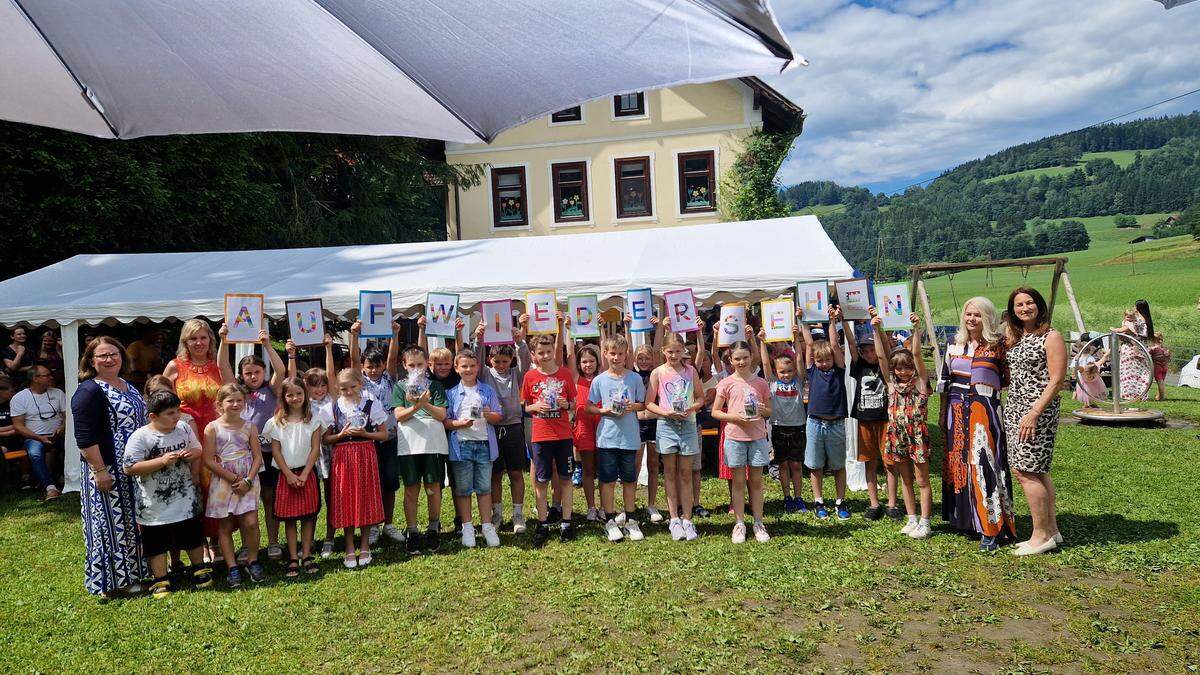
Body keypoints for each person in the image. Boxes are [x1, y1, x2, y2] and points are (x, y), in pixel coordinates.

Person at [71, 336, 151, 597]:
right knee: (110, 525)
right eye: (102, 356)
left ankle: (136, 572)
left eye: (113, 354)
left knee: (130, 522)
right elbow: (84, 437)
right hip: (108, 468)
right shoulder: (89, 391)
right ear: (91, 361)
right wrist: (100, 470)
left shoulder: (127, 385)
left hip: (132, 467)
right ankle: (113, 583)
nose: (109, 359)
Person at [940, 296, 1016, 552]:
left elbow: (1007, 378)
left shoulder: (998, 345)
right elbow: (945, 380)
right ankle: (965, 519)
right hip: (955, 410)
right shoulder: (953, 344)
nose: (972, 319)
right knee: (959, 464)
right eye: (968, 314)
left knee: (985, 464)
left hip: (985, 412)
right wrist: (943, 414)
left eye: (978, 315)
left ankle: (991, 527)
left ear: (988, 317)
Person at [121, 390, 212, 596]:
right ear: (153, 416)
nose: (176, 416)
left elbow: (198, 449)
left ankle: (199, 568)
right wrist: (160, 462)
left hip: (184, 498)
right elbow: (129, 467)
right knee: (156, 542)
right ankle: (161, 579)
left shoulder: (183, 429)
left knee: (191, 535)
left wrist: (190, 454)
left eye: (177, 411)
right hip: (154, 503)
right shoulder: (141, 437)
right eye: (170, 413)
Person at [1004, 287, 1067, 556]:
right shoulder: (1017, 337)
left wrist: (1034, 413)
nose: (1025, 308)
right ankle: (1052, 530)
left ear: (1039, 306)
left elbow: (1056, 381)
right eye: (1019, 304)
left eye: (1029, 303)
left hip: (1036, 412)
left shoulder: (1051, 337)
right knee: (1037, 470)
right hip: (1015, 409)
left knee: (1025, 471)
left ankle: (1039, 535)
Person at [869, 307, 932, 539]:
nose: (903, 371)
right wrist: (877, 329)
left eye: (906, 367)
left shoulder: (920, 384)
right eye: (899, 368)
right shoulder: (892, 385)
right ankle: (911, 518)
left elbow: (916, 356)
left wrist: (916, 329)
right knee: (906, 479)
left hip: (917, 436)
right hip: (897, 436)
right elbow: (882, 357)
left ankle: (925, 522)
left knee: (922, 480)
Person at [226, 325, 287, 561]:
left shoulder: (271, 390)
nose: (253, 376)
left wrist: (268, 345)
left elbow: (280, 370)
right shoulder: (238, 391)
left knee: (269, 498)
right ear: (242, 374)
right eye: (248, 373)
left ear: (263, 372)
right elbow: (224, 369)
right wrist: (224, 341)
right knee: (244, 502)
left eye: (257, 372)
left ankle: (272, 542)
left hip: (268, 452)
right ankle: (246, 545)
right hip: (245, 455)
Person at [349, 320, 405, 546]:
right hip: (367, 440)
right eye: (369, 366)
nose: (373, 370)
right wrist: (354, 336)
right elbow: (353, 359)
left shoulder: (389, 378)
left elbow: (393, 358)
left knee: (390, 482)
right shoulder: (359, 383)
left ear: (382, 366)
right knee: (371, 484)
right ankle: (371, 526)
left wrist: (394, 334)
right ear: (363, 367)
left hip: (390, 438)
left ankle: (388, 524)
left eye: (377, 366)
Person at [711, 339, 772, 543]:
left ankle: (758, 522)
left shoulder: (761, 383)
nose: (741, 362)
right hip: (735, 438)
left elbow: (770, 410)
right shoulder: (726, 383)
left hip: (757, 437)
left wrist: (764, 411)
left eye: (745, 357)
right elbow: (716, 412)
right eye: (737, 358)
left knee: (756, 481)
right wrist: (734, 417)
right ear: (730, 360)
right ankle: (739, 523)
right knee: (737, 482)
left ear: (751, 357)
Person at [203, 383, 264, 587]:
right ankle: (232, 566)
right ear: (220, 404)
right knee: (226, 525)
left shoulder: (249, 426)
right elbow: (209, 460)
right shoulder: (212, 428)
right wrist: (233, 479)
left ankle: (252, 559)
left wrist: (247, 480)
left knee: (251, 522)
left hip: (248, 477)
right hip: (223, 480)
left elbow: (257, 457)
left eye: (239, 400)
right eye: (230, 401)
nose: (235, 404)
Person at [474, 316, 530, 534]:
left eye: (505, 361)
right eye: (497, 361)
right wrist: (479, 339)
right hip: (491, 429)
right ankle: (497, 514)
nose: (501, 365)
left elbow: (525, 361)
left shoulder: (517, 375)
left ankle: (518, 514)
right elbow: (476, 357)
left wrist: (520, 342)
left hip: (514, 427)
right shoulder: (485, 375)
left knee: (516, 473)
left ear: (511, 360)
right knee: (495, 474)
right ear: (490, 360)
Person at [645, 333, 705, 541]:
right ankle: (673, 519)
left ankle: (687, 518)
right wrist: (665, 412)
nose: (674, 355)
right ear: (663, 351)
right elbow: (649, 403)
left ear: (683, 351)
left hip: (687, 425)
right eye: (670, 351)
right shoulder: (657, 373)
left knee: (686, 473)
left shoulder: (690, 372)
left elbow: (700, 398)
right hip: (666, 426)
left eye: (678, 351)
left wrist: (690, 408)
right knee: (669, 472)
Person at [588, 334, 647, 543]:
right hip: (607, 438)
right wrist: (603, 410)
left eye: (620, 354)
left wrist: (633, 407)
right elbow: (590, 406)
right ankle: (610, 520)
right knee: (607, 480)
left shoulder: (634, 378)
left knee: (630, 479)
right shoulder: (599, 380)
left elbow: (643, 403)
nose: (616, 357)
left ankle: (631, 518)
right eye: (612, 353)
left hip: (629, 437)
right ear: (605, 354)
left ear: (626, 355)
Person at [326, 369, 387, 568]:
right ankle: (349, 546)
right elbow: (326, 438)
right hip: (343, 455)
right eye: (344, 389)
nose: (349, 392)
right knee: (346, 498)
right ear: (338, 389)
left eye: (352, 387)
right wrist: (341, 435)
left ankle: (365, 545)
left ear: (360, 385)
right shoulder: (334, 407)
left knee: (365, 497)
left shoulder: (371, 404)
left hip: (365, 453)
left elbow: (384, 434)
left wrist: (366, 433)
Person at [521, 326, 576, 547]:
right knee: (541, 481)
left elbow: (574, 404)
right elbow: (525, 406)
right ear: (533, 355)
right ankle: (542, 523)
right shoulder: (530, 376)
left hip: (563, 434)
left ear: (554, 350)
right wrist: (537, 405)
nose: (545, 356)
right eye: (540, 353)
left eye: (548, 351)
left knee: (566, 479)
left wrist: (566, 404)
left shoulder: (564, 375)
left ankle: (567, 522)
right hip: (541, 436)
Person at [443, 349, 504, 548]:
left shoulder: (487, 390)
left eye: (472, 366)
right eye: (464, 366)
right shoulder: (451, 393)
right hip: (461, 445)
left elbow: (498, 416)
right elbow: (446, 421)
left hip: (484, 445)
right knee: (462, 489)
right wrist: (459, 424)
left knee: (484, 488)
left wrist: (488, 413)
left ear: (478, 367)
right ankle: (467, 527)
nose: (468, 369)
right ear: (457, 368)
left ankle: (487, 526)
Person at [392, 345, 449, 554]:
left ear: (427, 365)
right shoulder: (400, 387)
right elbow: (399, 415)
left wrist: (423, 403)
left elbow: (441, 415)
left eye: (420, 364)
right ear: (404, 366)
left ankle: (434, 527)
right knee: (411, 488)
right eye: (412, 365)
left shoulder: (434, 386)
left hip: (433, 443)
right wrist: (416, 406)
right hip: (409, 444)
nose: (416, 368)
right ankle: (413, 530)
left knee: (433, 487)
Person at [264, 377, 324, 576]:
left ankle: (306, 555)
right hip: (286, 475)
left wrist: (306, 473)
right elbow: (276, 451)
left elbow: (316, 448)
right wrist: (289, 474)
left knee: (308, 516)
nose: (295, 397)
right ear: (283, 397)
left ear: (305, 394)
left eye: (299, 393)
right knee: (289, 518)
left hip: (307, 473)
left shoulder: (314, 419)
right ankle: (292, 557)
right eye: (290, 394)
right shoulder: (275, 423)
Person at [287, 335, 339, 558]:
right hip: (307, 455)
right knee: (310, 499)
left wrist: (328, 349)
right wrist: (292, 355)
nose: (319, 389)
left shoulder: (332, 399)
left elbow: (332, 375)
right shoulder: (303, 402)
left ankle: (329, 537)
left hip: (329, 453)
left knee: (330, 497)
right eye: (313, 385)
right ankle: (307, 540)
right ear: (305, 387)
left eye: (323, 385)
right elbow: (290, 380)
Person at [844, 315, 898, 521]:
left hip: (885, 419)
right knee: (869, 462)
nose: (869, 354)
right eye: (864, 351)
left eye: (871, 350)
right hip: (864, 420)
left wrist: (878, 328)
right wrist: (843, 322)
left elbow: (884, 351)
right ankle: (874, 503)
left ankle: (892, 504)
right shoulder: (859, 367)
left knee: (890, 463)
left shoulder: (886, 367)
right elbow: (850, 343)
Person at [801, 306, 850, 521]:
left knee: (838, 465)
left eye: (826, 360)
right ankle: (818, 501)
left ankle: (840, 501)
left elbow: (836, 347)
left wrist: (831, 322)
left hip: (836, 423)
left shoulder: (838, 369)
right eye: (820, 361)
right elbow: (810, 345)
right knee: (815, 465)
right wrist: (802, 322)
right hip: (814, 423)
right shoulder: (812, 371)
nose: (823, 363)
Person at [759, 322, 807, 514]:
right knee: (783, 464)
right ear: (776, 372)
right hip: (778, 426)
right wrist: (762, 342)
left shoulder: (798, 380)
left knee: (796, 464)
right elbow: (764, 363)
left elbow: (800, 362)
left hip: (797, 426)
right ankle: (787, 497)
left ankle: (798, 497)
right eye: (782, 372)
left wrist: (795, 339)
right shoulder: (771, 381)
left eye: (789, 371)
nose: (786, 375)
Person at [10, 365, 66, 500]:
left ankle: (72, 478)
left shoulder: (58, 393)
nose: (51, 377)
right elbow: (18, 426)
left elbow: (68, 415)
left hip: (59, 434)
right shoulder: (20, 398)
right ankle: (50, 488)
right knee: (35, 452)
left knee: (76, 445)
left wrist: (63, 427)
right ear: (36, 378)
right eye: (46, 375)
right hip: (34, 437)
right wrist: (39, 438)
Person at [571, 342, 602, 522]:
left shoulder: (603, 377)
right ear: (579, 364)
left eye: (591, 361)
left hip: (603, 426)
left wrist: (601, 330)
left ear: (598, 362)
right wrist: (566, 330)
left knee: (604, 470)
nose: (588, 365)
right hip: (584, 428)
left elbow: (605, 348)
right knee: (588, 469)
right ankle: (591, 507)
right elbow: (568, 356)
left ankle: (606, 507)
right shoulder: (576, 379)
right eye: (584, 362)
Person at [1111, 307, 1151, 401]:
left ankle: (1135, 394)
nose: (1129, 318)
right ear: (1124, 316)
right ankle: (1132, 394)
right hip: (1131, 347)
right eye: (1128, 317)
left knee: (1133, 373)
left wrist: (1115, 330)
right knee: (1129, 374)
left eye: (1131, 316)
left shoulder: (1136, 322)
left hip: (1131, 347)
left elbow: (1124, 330)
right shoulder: (1136, 321)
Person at [1148, 333, 1171, 402]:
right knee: (1161, 382)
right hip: (1165, 367)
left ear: (1153, 340)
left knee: (1160, 383)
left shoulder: (1153, 349)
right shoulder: (1165, 349)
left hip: (1157, 368)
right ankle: (1158, 396)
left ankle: (1161, 398)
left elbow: (1146, 355)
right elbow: (1168, 358)